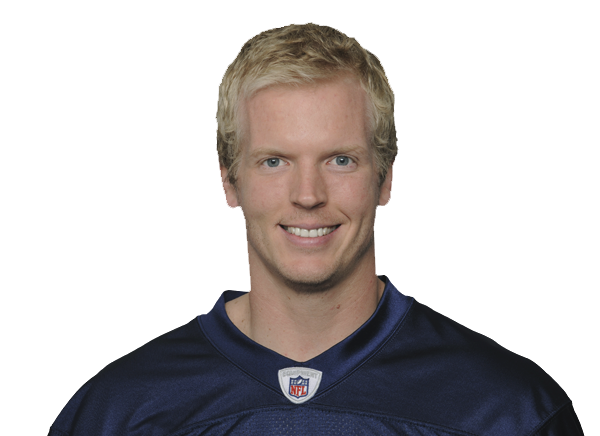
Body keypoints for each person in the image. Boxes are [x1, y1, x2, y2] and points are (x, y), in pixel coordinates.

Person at [48, 22, 584, 436]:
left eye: (341, 160)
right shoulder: (113, 413)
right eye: (274, 161)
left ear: (386, 177)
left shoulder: (512, 410)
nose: (308, 194)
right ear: (228, 180)